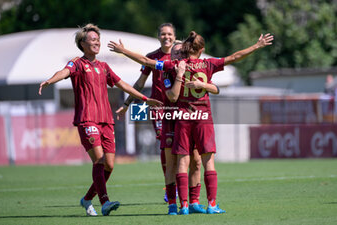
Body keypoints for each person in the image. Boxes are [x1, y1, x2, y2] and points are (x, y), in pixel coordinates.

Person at [108, 31, 274, 215]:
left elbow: (147, 62)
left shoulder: (176, 65)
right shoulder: (209, 63)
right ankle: (211, 205)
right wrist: (256, 46)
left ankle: (185, 205)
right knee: (207, 161)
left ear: (185, 49)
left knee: (183, 161)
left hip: (182, 117)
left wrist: (124, 51)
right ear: (202, 49)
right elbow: (235, 57)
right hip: (202, 117)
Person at [38, 23, 162, 217]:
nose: (97, 42)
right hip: (87, 120)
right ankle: (105, 202)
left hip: (106, 120)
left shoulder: (104, 66)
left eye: (98, 39)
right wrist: (49, 80)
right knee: (100, 159)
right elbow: (63, 73)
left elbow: (123, 84)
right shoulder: (77, 63)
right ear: (83, 43)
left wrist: (145, 98)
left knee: (109, 165)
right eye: (93, 40)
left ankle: (87, 199)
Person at [116, 23, 175, 200]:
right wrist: (127, 104)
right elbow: (140, 83)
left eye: (170, 34)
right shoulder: (152, 57)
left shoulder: (181, 56)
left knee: (181, 149)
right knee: (166, 145)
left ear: (175, 36)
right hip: (158, 108)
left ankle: (181, 185)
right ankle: (170, 187)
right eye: (163, 34)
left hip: (179, 108)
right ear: (158, 37)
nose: (166, 37)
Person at [163, 41, 220, 215]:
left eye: (182, 53)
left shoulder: (193, 67)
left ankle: (193, 202)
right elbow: (172, 97)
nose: (179, 56)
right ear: (171, 55)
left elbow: (212, 88)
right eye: (176, 53)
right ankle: (174, 203)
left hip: (190, 118)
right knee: (172, 163)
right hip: (170, 118)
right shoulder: (168, 71)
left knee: (196, 161)